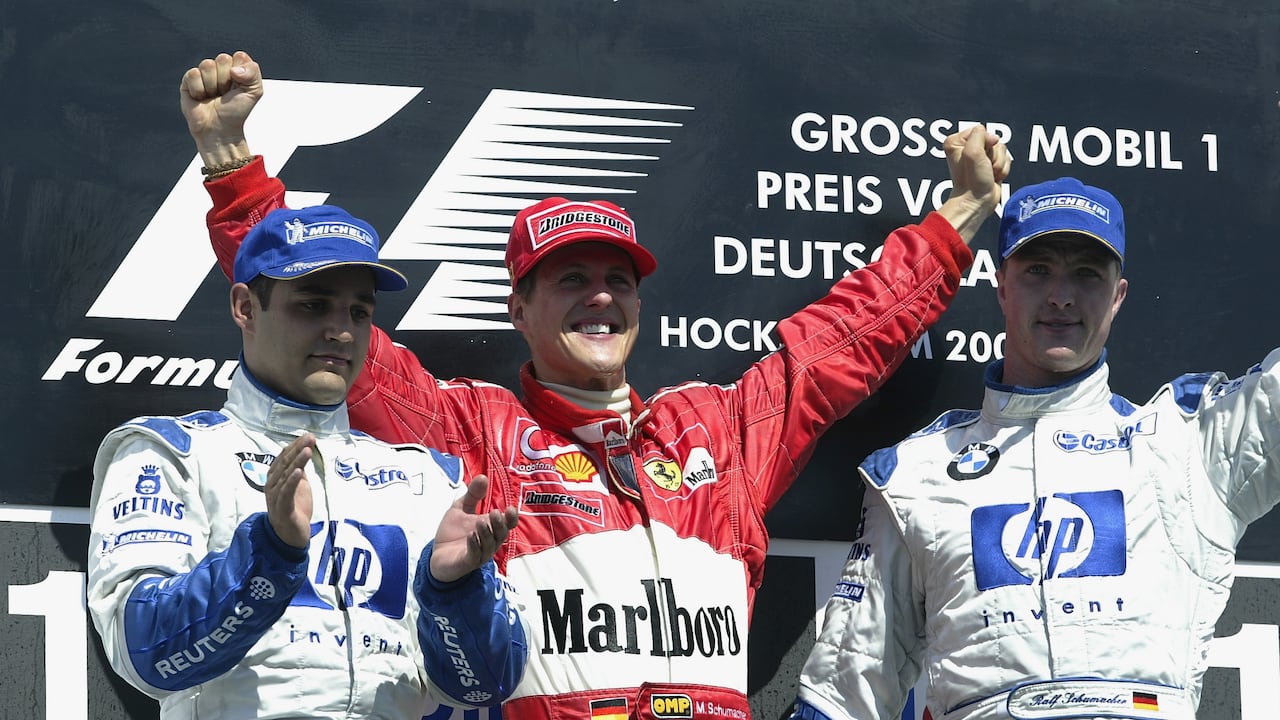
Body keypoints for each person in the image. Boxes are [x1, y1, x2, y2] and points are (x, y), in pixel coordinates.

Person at [181, 51, 1010, 720]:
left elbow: (839, 344)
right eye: (571, 278)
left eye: (619, 279)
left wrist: (957, 224)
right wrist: (234, 173)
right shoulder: (472, 429)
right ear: (521, 308)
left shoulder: (716, 433)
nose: (602, 296)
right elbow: (324, 319)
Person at [791, 177, 1280, 720]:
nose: (1062, 295)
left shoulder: (1189, 444)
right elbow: (843, 691)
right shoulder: (916, 474)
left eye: (1087, 274)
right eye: (1038, 270)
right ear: (1001, 286)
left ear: (1118, 296)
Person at [86, 203, 528, 720]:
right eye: (313, 306)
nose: (341, 331)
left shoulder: (428, 480)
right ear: (245, 308)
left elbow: (486, 686)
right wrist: (269, 555)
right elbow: (145, 654)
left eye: (359, 313)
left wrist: (454, 592)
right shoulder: (171, 452)